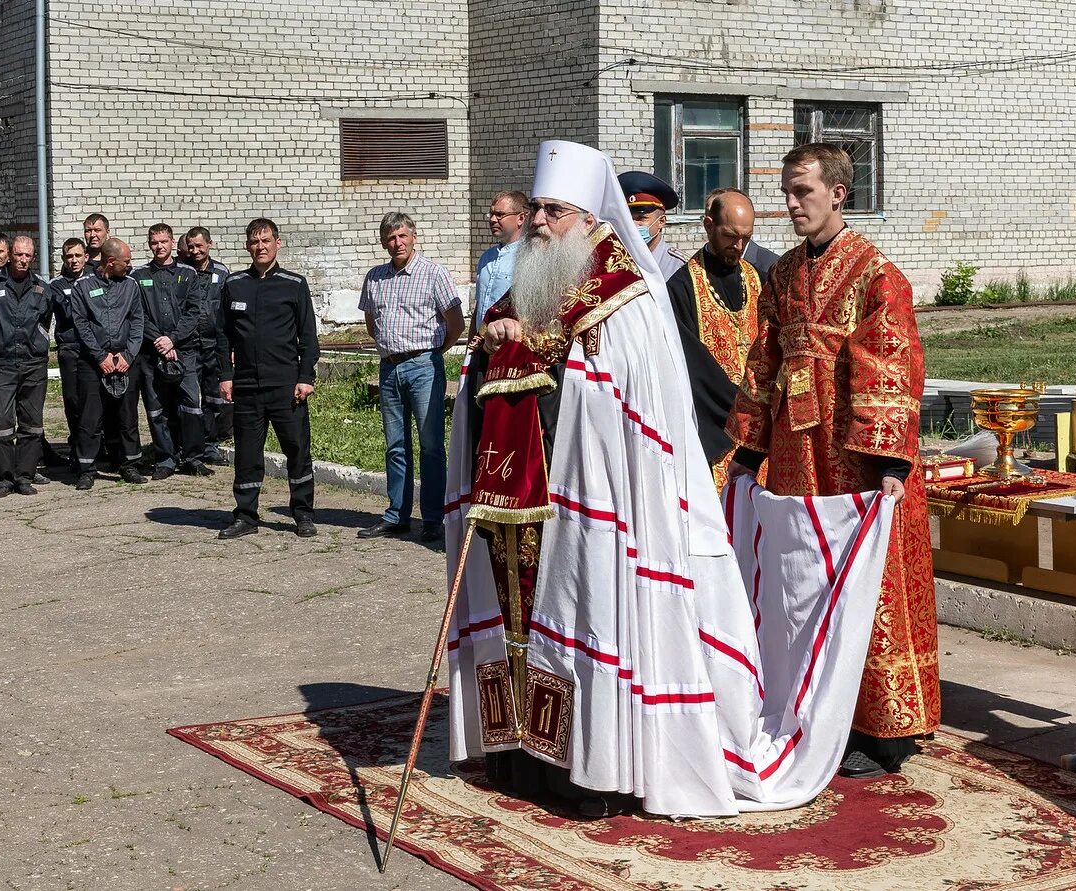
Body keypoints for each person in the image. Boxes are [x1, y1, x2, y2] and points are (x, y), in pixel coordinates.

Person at [443, 140, 899, 820]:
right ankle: (520, 755)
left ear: (587, 213)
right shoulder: (530, 280)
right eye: (534, 208)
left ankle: (590, 768)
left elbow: (627, 396)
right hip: (522, 495)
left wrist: (545, 355)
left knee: (588, 610)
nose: (537, 221)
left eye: (552, 210)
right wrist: (496, 345)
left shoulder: (622, 290)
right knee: (517, 624)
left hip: (597, 499)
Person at [727, 142, 938, 779]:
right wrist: (749, 448)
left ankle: (878, 731)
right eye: (787, 193)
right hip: (794, 455)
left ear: (838, 194)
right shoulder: (784, 273)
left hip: (854, 458)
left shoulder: (878, 275)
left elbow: (892, 365)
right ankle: (810, 711)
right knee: (802, 582)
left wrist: (889, 462)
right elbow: (762, 363)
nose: (790, 205)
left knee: (860, 584)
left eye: (803, 193)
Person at [357, 212, 464, 542]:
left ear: (414, 236)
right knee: (395, 445)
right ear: (383, 242)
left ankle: (433, 518)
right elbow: (372, 323)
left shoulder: (434, 274)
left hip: (423, 366)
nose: (397, 243)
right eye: (390, 238)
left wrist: (432, 354)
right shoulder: (375, 277)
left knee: (431, 445)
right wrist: (391, 350)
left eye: (402, 236)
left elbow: (456, 324)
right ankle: (396, 515)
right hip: (389, 367)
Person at [216, 219, 319, 540]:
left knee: (297, 449)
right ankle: (246, 515)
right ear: (248, 246)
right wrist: (225, 376)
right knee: (247, 453)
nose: (260, 247)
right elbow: (222, 336)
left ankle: (302, 514)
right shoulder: (234, 284)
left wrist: (305, 377)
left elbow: (308, 337)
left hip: (286, 386)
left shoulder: (293, 284)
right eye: (254, 242)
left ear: (278, 243)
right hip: (246, 386)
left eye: (265, 240)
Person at [664, 188, 762, 480]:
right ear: (709, 225)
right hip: (716, 428)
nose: (739, 245)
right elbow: (691, 367)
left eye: (746, 237)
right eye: (731, 236)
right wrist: (739, 407)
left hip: (758, 425)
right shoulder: (681, 287)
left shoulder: (758, 277)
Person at [132, 223, 209, 479]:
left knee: (191, 405)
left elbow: (194, 311)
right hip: (151, 353)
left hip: (184, 351)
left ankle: (193, 457)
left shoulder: (188, 274)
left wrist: (173, 340)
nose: (159, 247)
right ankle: (165, 459)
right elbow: (138, 315)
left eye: (164, 241)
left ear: (173, 242)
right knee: (157, 408)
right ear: (149, 244)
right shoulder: (139, 275)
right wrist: (160, 341)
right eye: (154, 242)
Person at [0, 236, 52, 497]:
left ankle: (24, 476)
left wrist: (40, 341)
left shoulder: (42, 287)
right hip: (1, 363)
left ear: (33, 258)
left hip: (33, 363)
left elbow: (46, 319)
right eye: (18, 255)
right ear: (10, 255)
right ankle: (4, 479)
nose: (22, 260)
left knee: (32, 423)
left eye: (27, 256)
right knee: (2, 423)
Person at [68, 237, 146, 488]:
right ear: (111, 262)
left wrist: (128, 355)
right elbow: (80, 323)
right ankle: (86, 469)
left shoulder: (131, 286)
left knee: (126, 415)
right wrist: (100, 356)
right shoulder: (83, 286)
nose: (130, 265)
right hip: (92, 362)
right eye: (127, 261)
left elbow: (137, 322)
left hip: (125, 359)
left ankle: (128, 464)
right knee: (90, 416)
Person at [183, 226, 231, 463]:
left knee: (213, 397)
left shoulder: (222, 272)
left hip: (214, 344)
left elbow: (228, 309)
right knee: (190, 399)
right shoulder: (182, 271)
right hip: (189, 345)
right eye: (191, 246)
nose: (195, 250)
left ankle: (210, 444)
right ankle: (191, 446)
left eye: (199, 246)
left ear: (209, 244)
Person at [50, 239, 92, 473]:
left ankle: (96, 447)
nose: (73, 261)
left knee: (93, 402)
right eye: (69, 257)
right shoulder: (57, 284)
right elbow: (68, 314)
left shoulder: (95, 278)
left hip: (93, 349)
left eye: (77, 255)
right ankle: (77, 446)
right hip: (70, 348)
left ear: (85, 256)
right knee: (73, 401)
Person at [617, 170, 688, 277]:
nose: (633, 224)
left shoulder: (679, 266)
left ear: (661, 222)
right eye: (629, 219)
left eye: (642, 218)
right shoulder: (618, 260)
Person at [474, 191, 527, 330]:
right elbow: (479, 308)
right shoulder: (486, 257)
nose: (492, 219)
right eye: (491, 214)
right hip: (482, 346)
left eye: (500, 215)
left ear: (520, 218)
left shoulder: (530, 259)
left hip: (509, 346)